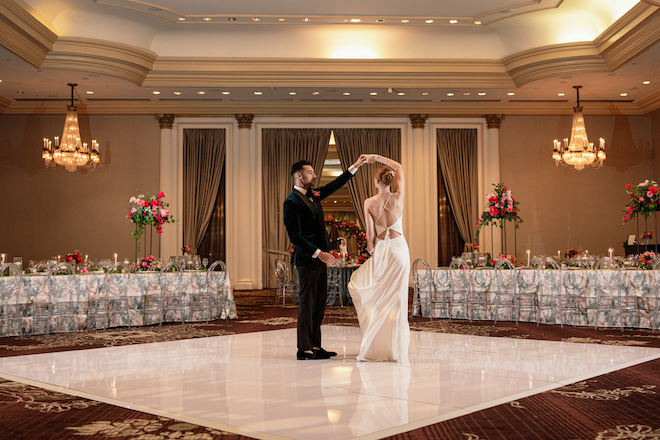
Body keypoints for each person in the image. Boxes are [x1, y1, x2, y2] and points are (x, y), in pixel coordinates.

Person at [283, 156, 366, 360]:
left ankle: (315, 345)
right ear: (299, 176)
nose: (314, 175)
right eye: (310, 172)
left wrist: (353, 167)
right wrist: (318, 252)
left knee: (319, 303)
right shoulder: (291, 202)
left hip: (319, 259)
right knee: (307, 303)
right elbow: (295, 236)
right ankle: (303, 348)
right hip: (307, 259)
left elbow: (334, 185)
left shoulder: (314, 194)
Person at [348, 154, 410, 364]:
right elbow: (399, 166)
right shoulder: (398, 197)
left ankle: (375, 345)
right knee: (398, 301)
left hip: (383, 251)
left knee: (381, 298)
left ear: (376, 181)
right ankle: (396, 349)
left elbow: (370, 236)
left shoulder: (368, 203)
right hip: (400, 250)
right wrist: (376, 158)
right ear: (390, 179)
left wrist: (371, 247)